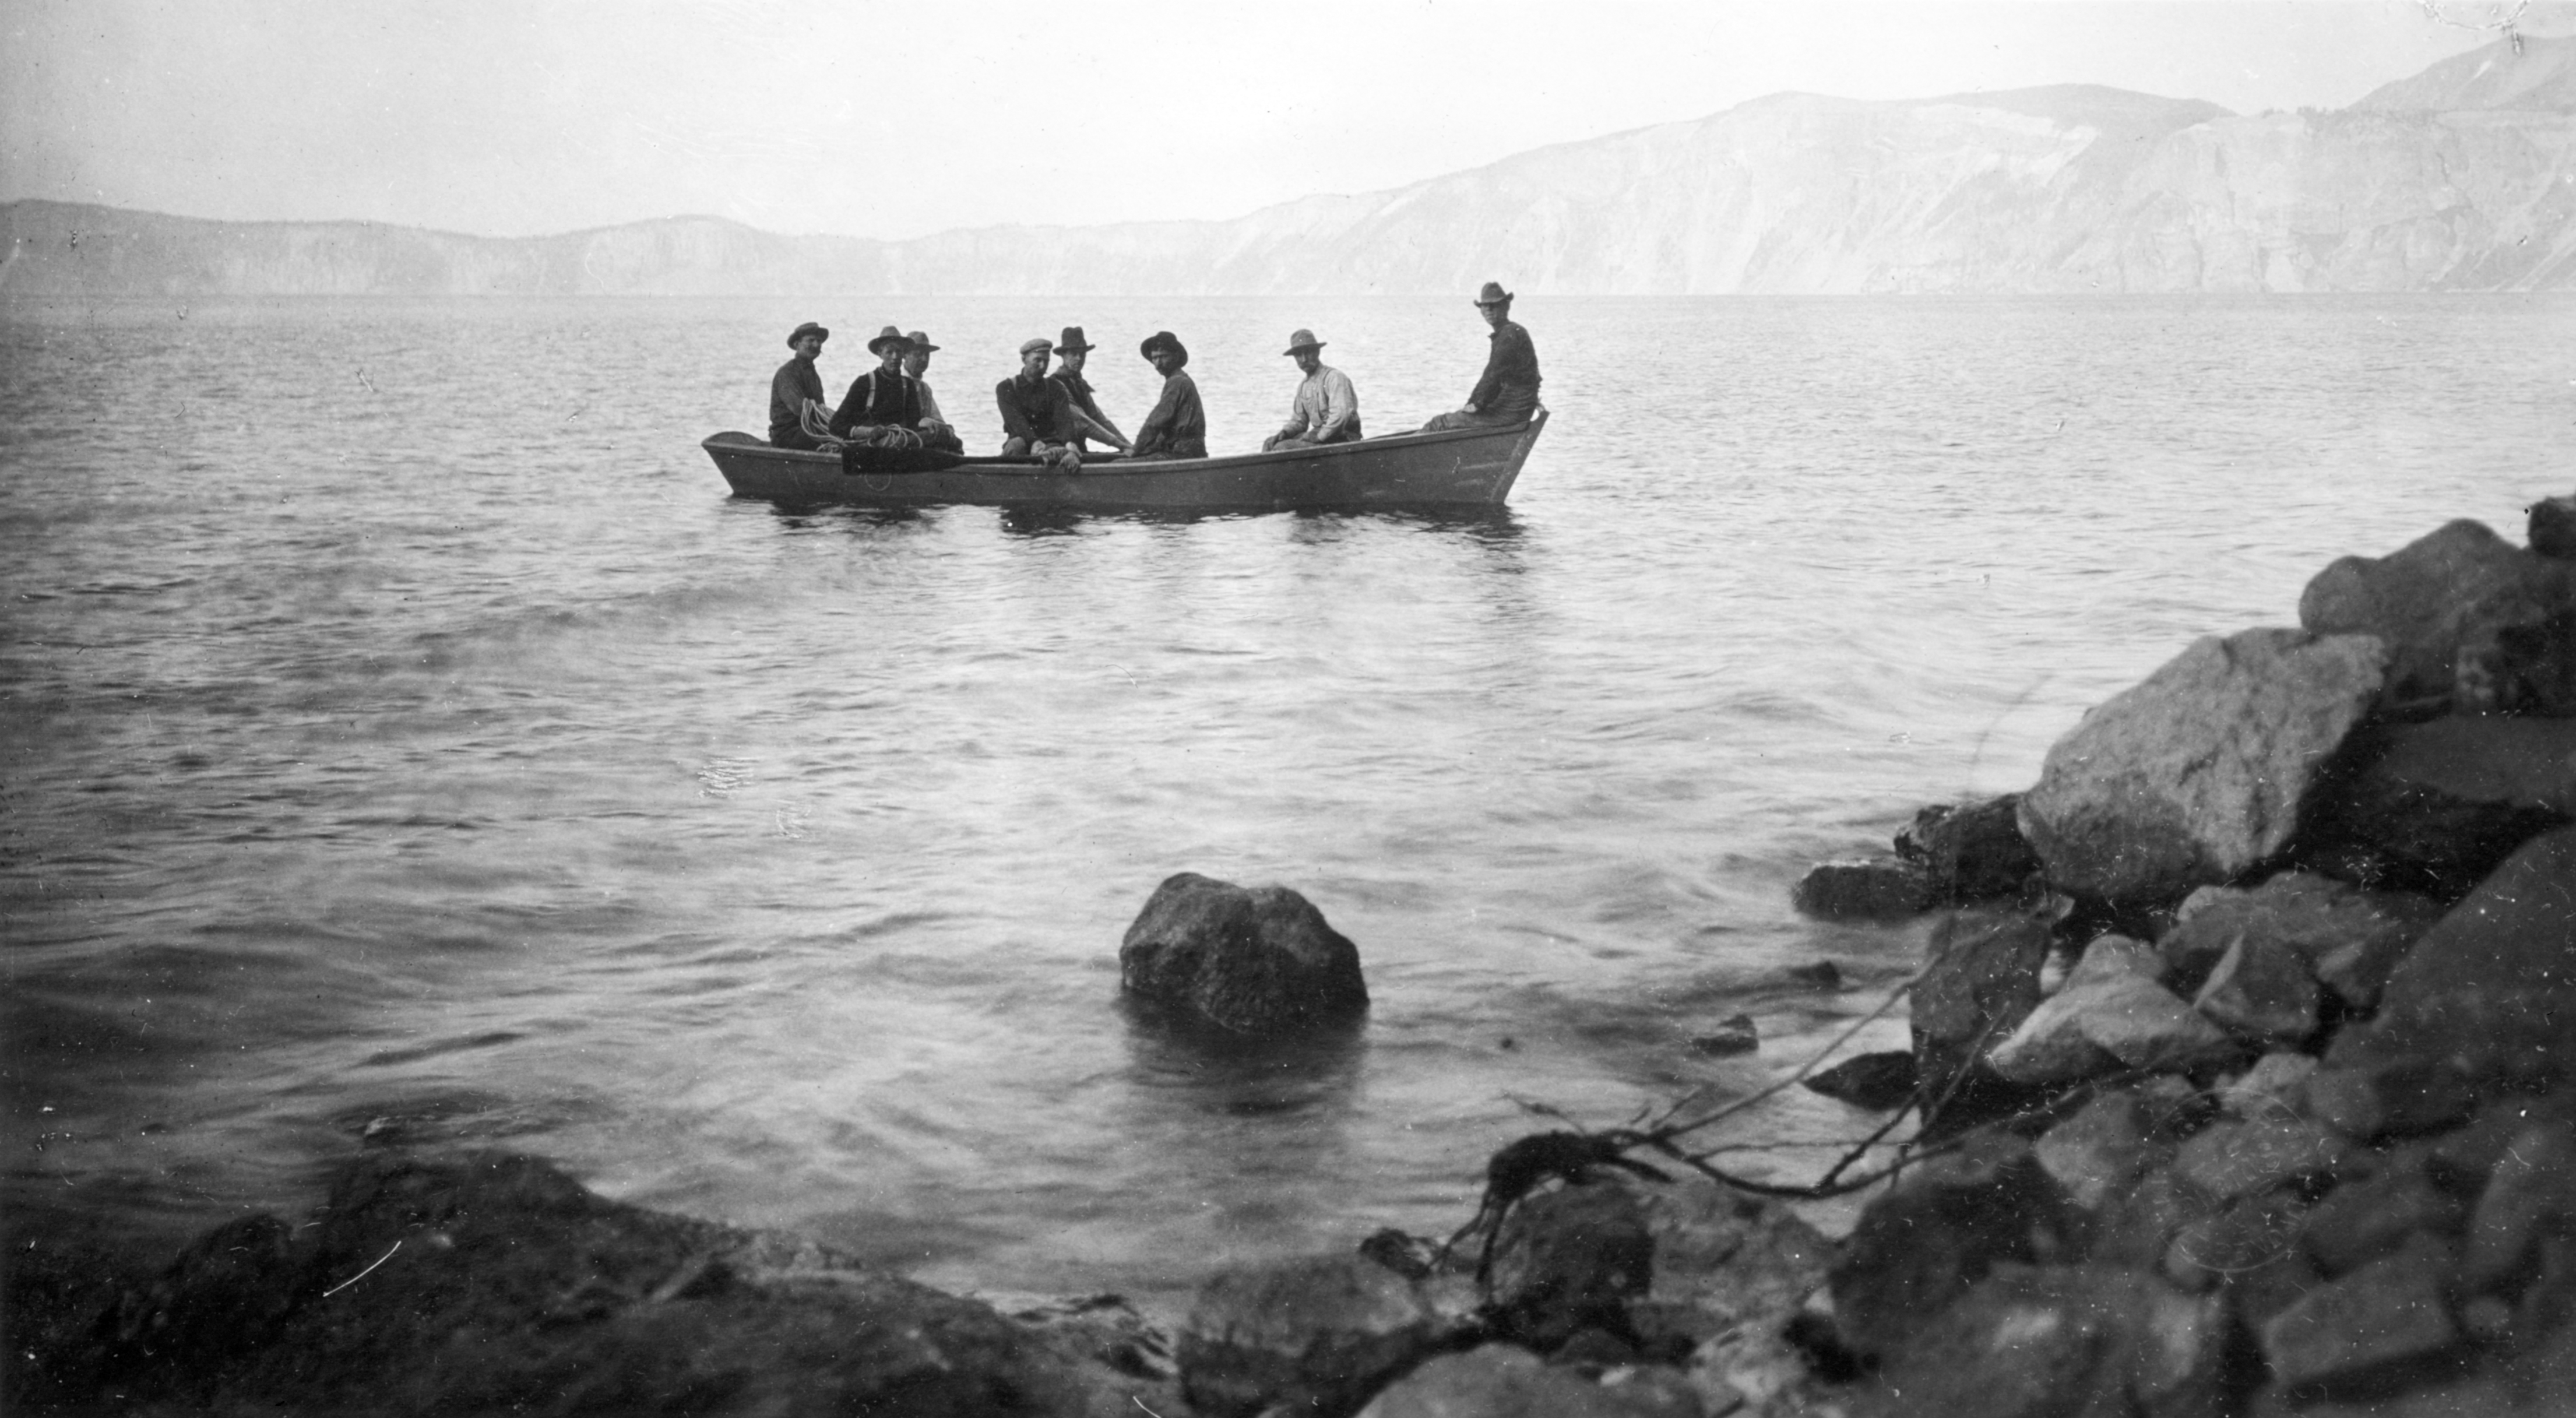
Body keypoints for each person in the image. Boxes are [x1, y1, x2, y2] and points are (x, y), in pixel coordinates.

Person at [1420, 281, 1540, 431]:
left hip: (1511, 410)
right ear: (1481, 310)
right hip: (1516, 407)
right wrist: (1476, 404)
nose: (1489, 309)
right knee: (1452, 422)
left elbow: (1493, 374)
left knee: (1438, 424)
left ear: (1506, 307)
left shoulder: (1509, 333)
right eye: (1485, 305)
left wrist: (1475, 404)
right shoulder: (1513, 331)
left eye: (1494, 305)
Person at [1261, 328, 1361, 451]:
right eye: (1298, 355)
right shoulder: (1304, 386)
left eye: (1308, 352)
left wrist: (1319, 437)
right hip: (1323, 439)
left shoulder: (1335, 378)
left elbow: (1340, 415)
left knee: (1283, 447)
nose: (1303, 359)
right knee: (1270, 444)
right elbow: (1299, 420)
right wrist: (1284, 433)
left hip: (1345, 439)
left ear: (1317, 352)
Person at [826, 326, 927, 442]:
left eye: (898, 351)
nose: (895, 357)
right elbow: (836, 425)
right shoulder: (865, 382)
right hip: (869, 446)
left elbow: (914, 425)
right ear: (880, 354)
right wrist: (868, 432)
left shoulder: (908, 385)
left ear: (903, 354)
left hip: (898, 443)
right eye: (889, 352)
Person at [995, 337, 1082, 469]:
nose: (1042, 366)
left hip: (1052, 445)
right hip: (1022, 443)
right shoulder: (1006, 388)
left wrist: (1070, 445)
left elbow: (1064, 421)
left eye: (1046, 361)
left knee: (1066, 453)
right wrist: (1035, 443)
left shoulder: (1056, 388)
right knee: (1016, 445)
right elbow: (1016, 421)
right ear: (1024, 359)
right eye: (1037, 360)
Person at [1048, 326, 1131, 453]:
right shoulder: (1056, 385)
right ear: (1063, 355)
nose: (1079, 359)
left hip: (1079, 450)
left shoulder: (1080, 384)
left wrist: (1129, 446)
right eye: (1074, 354)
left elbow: (1100, 419)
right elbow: (1083, 422)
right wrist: (1121, 445)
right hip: (1059, 452)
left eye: (1082, 354)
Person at [1129, 331, 1207, 460]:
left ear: (1176, 357)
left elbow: (1155, 423)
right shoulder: (1179, 380)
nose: (1158, 363)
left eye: (1163, 357)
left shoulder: (1177, 382)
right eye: (1155, 358)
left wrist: (1135, 450)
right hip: (1184, 451)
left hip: (1182, 454)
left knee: (1118, 463)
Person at [900, 330, 965, 455]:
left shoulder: (925, 389)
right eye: (918, 354)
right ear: (905, 355)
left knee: (955, 442)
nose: (924, 359)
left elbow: (937, 419)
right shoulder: (897, 383)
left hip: (921, 438)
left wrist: (944, 428)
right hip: (905, 438)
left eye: (927, 355)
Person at [768, 321, 830, 449]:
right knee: (838, 436)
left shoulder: (813, 374)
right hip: (786, 435)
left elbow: (820, 409)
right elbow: (800, 409)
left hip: (806, 432)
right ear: (797, 344)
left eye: (819, 341)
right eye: (811, 340)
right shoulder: (787, 373)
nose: (816, 345)